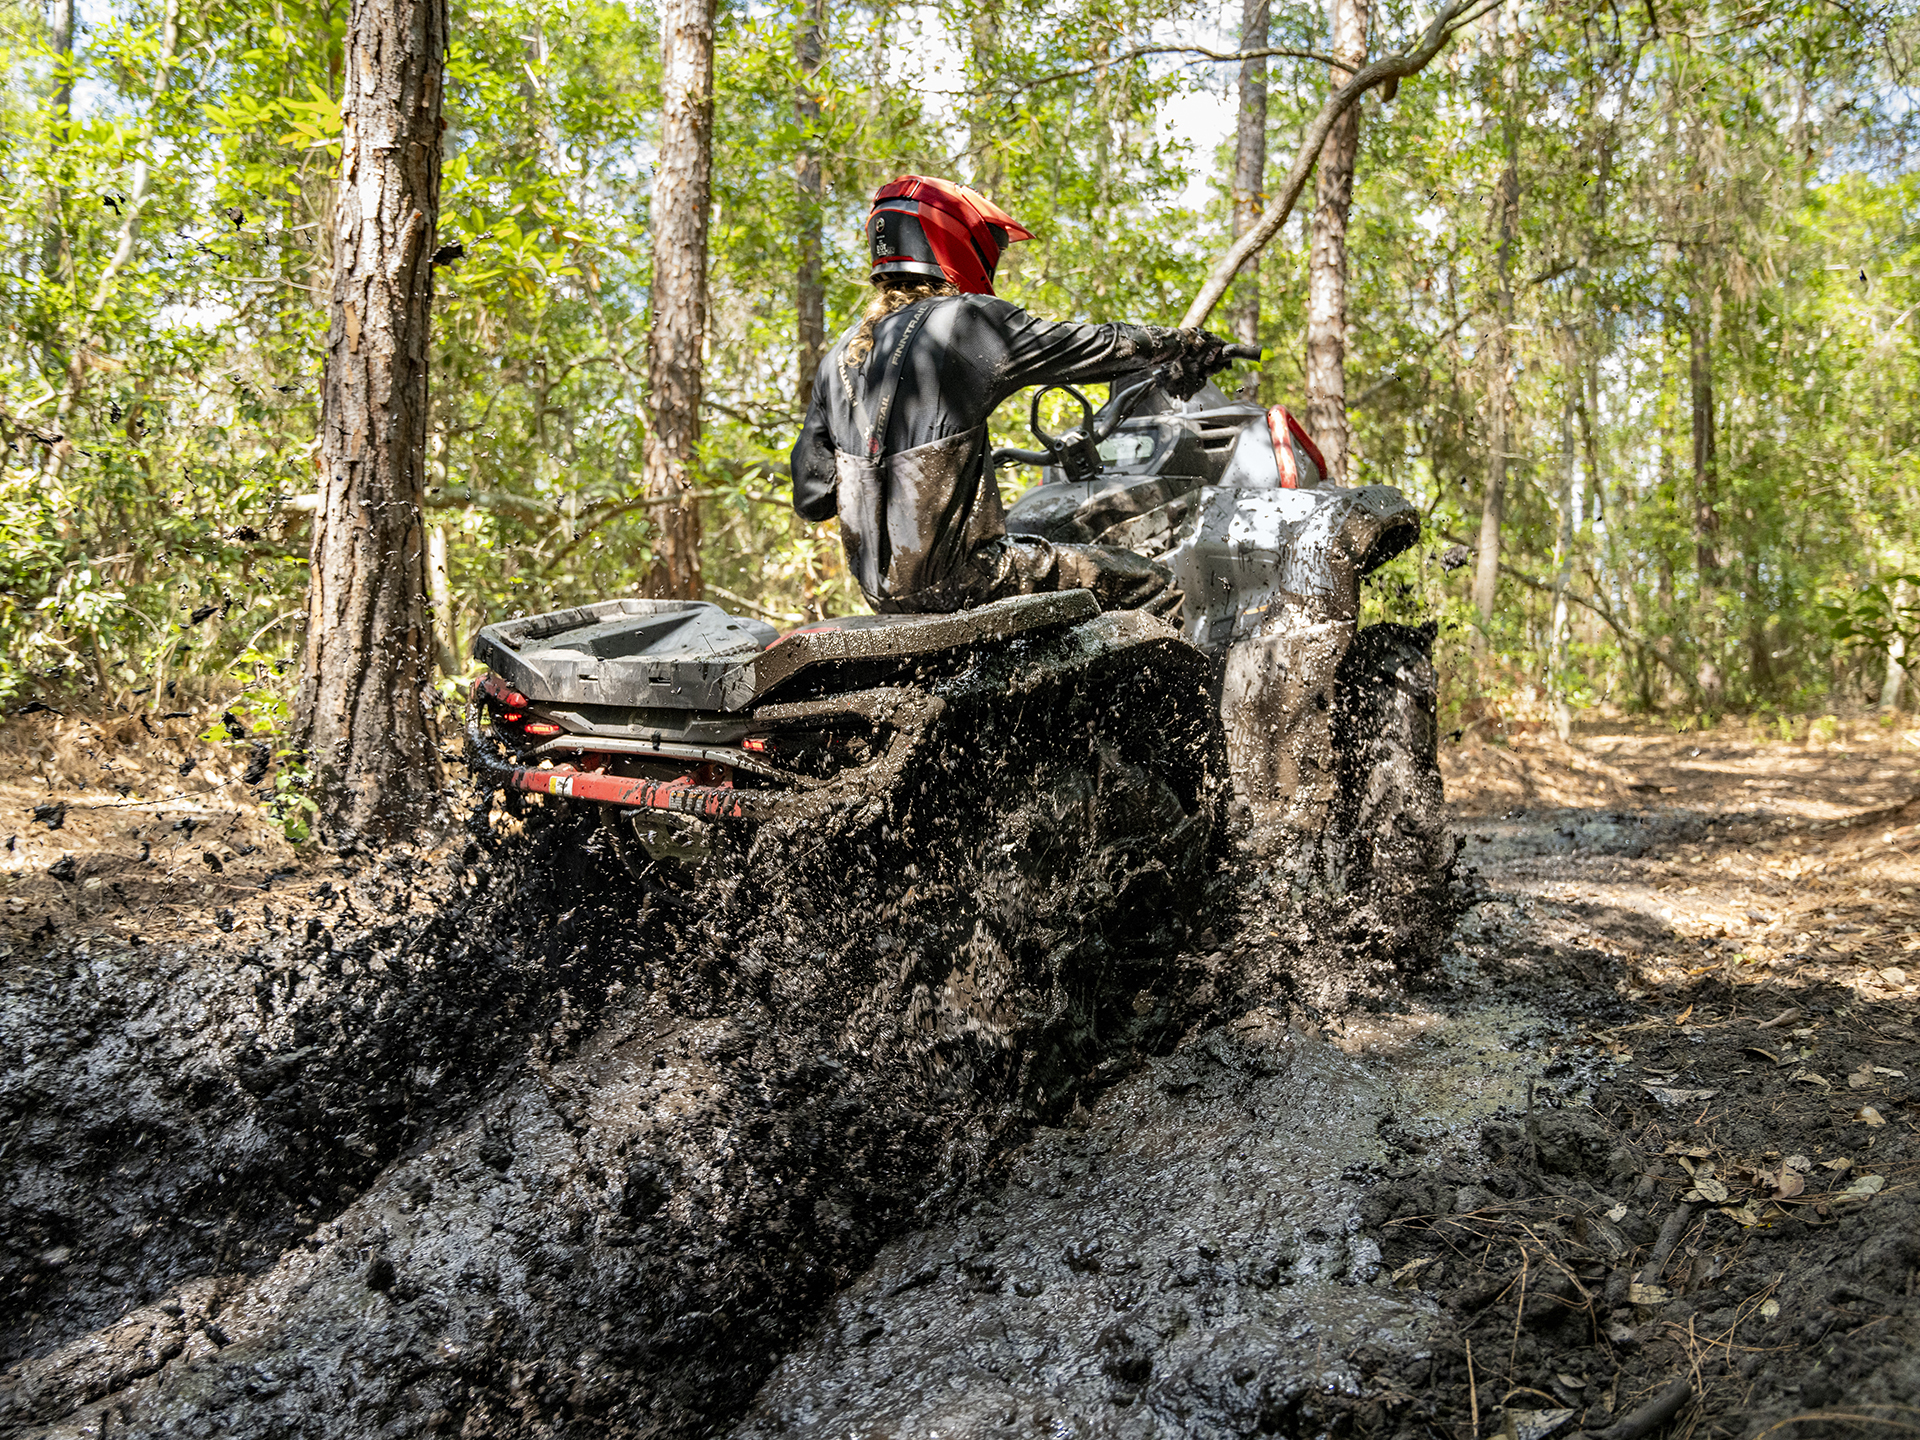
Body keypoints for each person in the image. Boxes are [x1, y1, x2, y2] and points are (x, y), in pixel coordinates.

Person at [789, 174, 1232, 617]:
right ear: (955, 240)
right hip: (971, 580)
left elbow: (814, 499)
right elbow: (1091, 347)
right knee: (1151, 584)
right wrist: (1182, 345)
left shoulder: (841, 356)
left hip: (882, 599)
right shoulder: (964, 321)